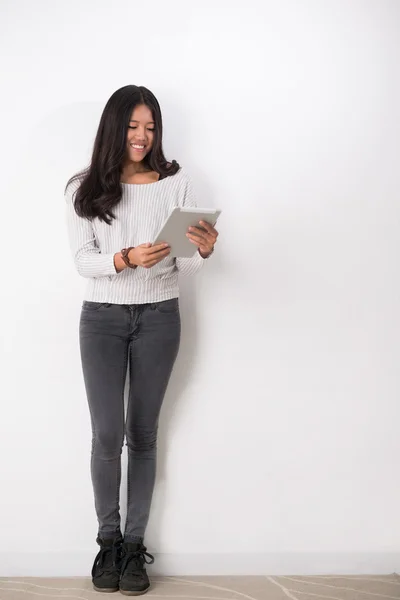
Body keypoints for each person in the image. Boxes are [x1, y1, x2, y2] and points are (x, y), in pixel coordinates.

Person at [65, 85, 219, 596]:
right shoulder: (83, 188)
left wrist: (205, 246)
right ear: (115, 128)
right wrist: (126, 257)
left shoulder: (176, 184)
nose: (142, 136)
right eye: (133, 126)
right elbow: (84, 260)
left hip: (159, 316)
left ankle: (133, 548)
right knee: (107, 434)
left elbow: (189, 260)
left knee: (143, 433)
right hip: (103, 319)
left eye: (150, 127)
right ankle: (106, 541)